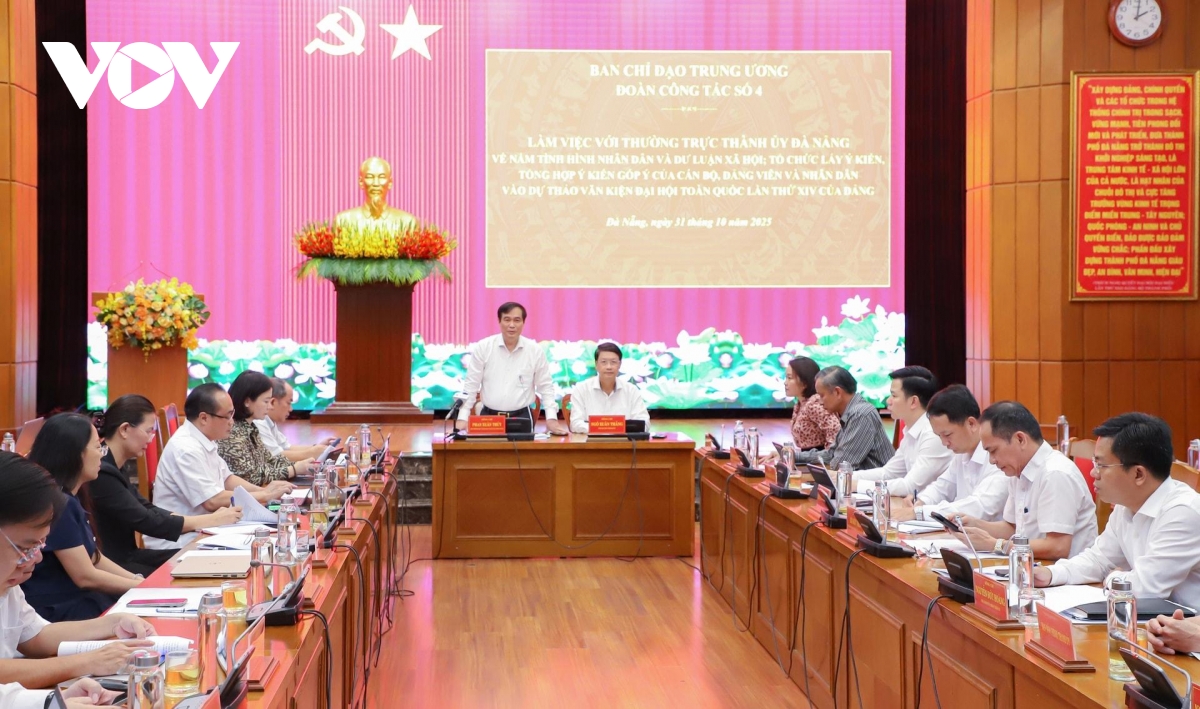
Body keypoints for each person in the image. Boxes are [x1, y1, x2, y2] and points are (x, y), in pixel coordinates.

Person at [0, 451, 155, 708]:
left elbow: (35, 636)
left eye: (40, 545)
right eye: (26, 548)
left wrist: (112, 623)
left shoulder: (8, 583)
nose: (36, 558)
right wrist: (85, 662)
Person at [1032, 413, 1200, 607]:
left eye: (1101, 465)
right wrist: (1052, 574)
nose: (1093, 473)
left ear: (1138, 474)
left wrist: (1113, 577)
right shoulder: (1127, 504)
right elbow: (1099, 559)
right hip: (1151, 617)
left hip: (1186, 622)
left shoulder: (1183, 512)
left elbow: (1146, 589)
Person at [91, 395, 244, 576]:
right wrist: (211, 520)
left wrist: (210, 520)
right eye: (149, 431)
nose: (151, 439)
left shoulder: (114, 465)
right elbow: (147, 521)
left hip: (130, 556)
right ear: (125, 429)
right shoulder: (102, 471)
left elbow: (147, 508)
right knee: (205, 566)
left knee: (211, 559)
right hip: (115, 565)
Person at [21, 415, 142, 621]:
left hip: (76, 599)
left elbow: (94, 558)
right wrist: (143, 587)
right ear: (74, 454)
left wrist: (138, 581)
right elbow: (85, 576)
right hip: (58, 608)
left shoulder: (70, 497)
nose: (101, 455)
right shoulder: (57, 503)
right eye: (97, 448)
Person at [149, 384, 294, 550]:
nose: (232, 422)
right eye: (227, 416)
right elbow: (212, 500)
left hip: (207, 527)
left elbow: (228, 478)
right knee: (262, 547)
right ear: (204, 418)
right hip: (180, 541)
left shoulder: (203, 438)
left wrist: (264, 492)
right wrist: (264, 495)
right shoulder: (186, 449)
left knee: (269, 538)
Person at [953, 401, 1097, 561]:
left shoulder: (1055, 473)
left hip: (1061, 572)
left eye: (993, 451)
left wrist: (996, 545)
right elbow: (1013, 528)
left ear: (1020, 439)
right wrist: (974, 524)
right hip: (1031, 566)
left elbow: (1058, 547)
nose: (992, 460)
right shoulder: (1018, 470)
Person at [895, 384, 1007, 522]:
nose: (944, 443)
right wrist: (921, 501)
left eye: (947, 435)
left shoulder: (997, 456)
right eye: (939, 436)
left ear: (971, 424)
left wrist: (920, 512)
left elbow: (980, 507)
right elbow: (942, 486)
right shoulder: (962, 454)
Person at [456, 302, 568, 435]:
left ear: (523, 323)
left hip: (522, 417)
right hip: (489, 418)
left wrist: (551, 419)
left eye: (517, 320)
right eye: (507, 319)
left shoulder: (534, 350)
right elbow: (471, 385)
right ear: (499, 321)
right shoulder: (484, 347)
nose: (512, 325)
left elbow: (546, 387)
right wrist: (462, 418)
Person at [853, 366, 953, 497]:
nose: (888, 401)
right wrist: (846, 476)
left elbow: (909, 487)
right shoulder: (911, 430)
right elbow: (888, 473)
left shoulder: (933, 434)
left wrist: (856, 485)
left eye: (894, 395)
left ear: (913, 401)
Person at [218, 371, 315, 486]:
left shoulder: (251, 427)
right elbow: (251, 477)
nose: (269, 407)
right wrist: (294, 469)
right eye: (266, 401)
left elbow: (269, 460)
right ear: (247, 401)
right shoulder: (232, 433)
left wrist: (303, 465)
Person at [793, 366, 893, 470]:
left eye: (822, 395)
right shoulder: (852, 412)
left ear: (837, 392)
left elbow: (842, 466)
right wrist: (795, 456)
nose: (820, 402)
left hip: (875, 480)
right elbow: (831, 454)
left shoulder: (860, 414)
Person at [568, 343, 650, 433]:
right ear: (596, 364)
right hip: (591, 441)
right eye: (604, 362)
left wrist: (607, 428)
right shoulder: (581, 389)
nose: (609, 367)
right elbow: (575, 424)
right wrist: (609, 428)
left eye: (613, 362)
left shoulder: (631, 390)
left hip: (623, 441)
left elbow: (644, 423)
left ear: (620, 364)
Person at [255, 378, 334, 460]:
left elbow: (286, 448)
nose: (291, 409)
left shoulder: (269, 422)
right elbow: (274, 457)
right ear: (272, 402)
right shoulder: (259, 422)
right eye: (288, 403)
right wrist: (311, 453)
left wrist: (318, 447)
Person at [784, 356, 840, 450]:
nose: (785, 383)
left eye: (789, 378)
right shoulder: (800, 404)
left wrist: (828, 454)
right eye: (786, 377)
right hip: (808, 455)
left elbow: (835, 429)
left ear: (804, 382)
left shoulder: (814, 404)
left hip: (819, 457)